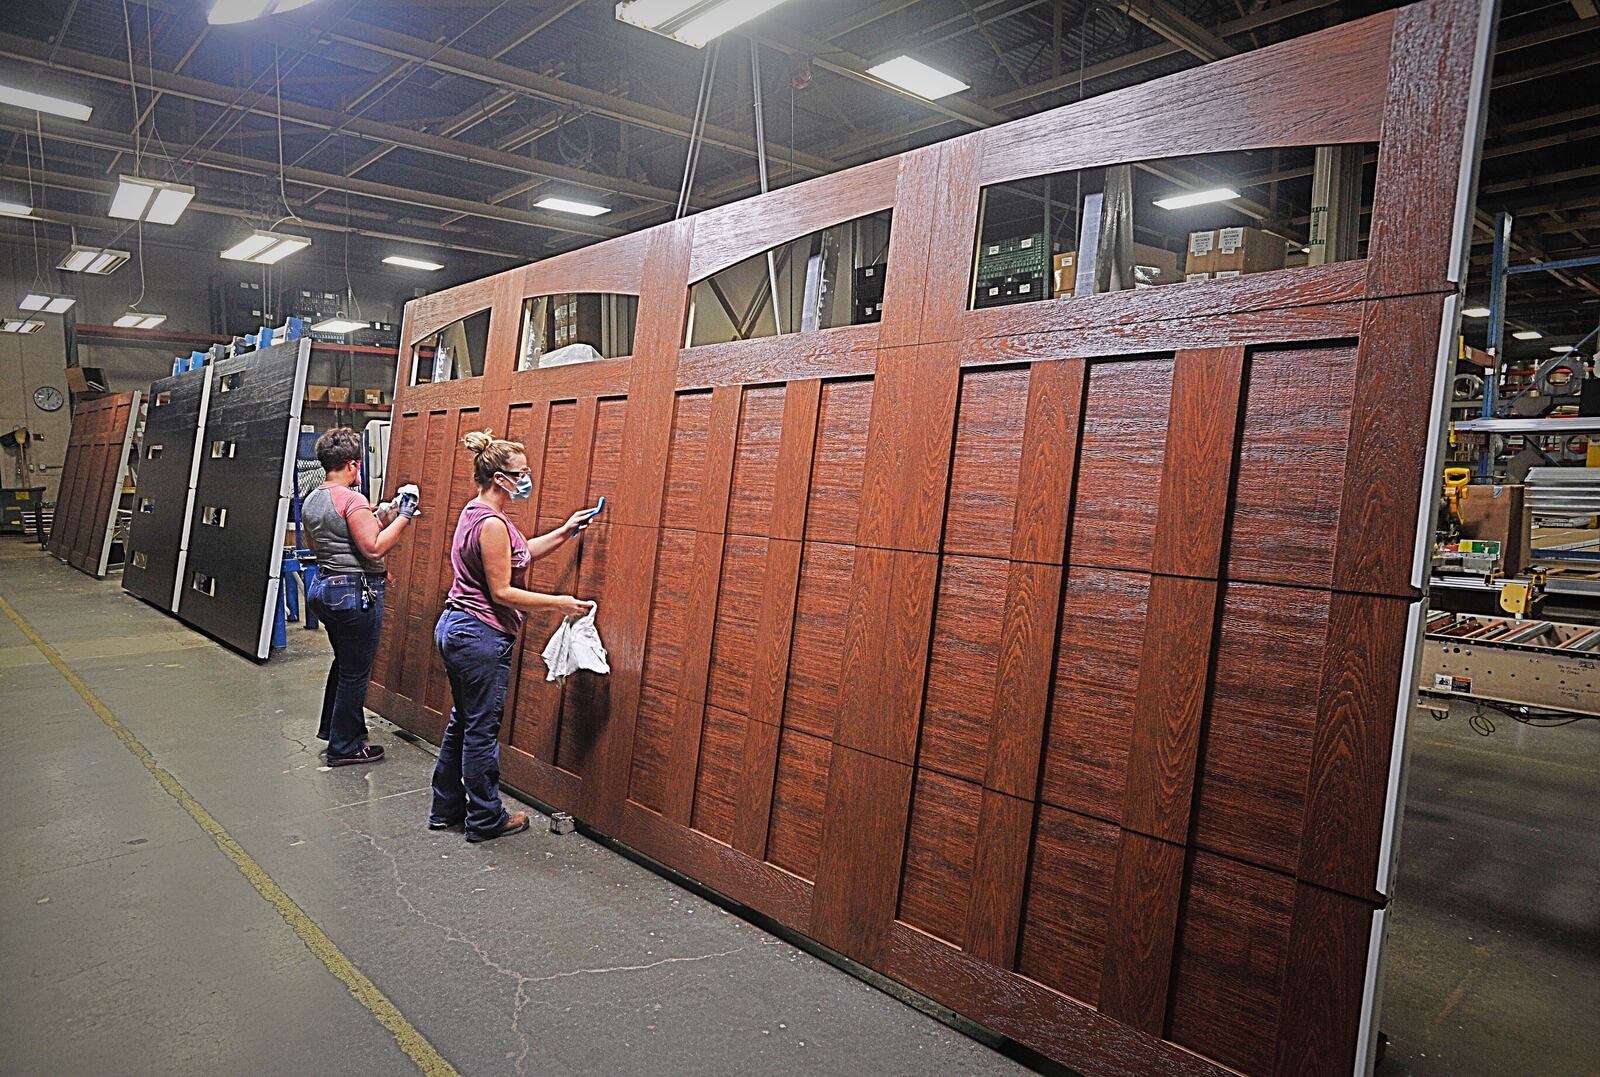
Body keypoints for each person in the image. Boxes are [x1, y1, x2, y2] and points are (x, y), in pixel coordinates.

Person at [431, 429, 595, 842]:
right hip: (478, 636)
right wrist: (561, 603)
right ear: (500, 477)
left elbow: (519, 553)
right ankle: (485, 819)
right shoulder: (491, 524)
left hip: (459, 629)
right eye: (521, 472)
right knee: (481, 731)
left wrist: (566, 530)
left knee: (463, 722)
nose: (527, 479)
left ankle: (445, 808)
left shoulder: (479, 513)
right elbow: (503, 590)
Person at [302, 428, 417, 766]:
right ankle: (345, 747)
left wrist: (380, 516)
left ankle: (334, 730)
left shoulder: (314, 498)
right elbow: (373, 546)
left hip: (325, 588)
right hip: (354, 594)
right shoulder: (352, 498)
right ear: (353, 464)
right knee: (356, 672)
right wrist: (406, 516)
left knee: (344, 664)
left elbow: (318, 544)